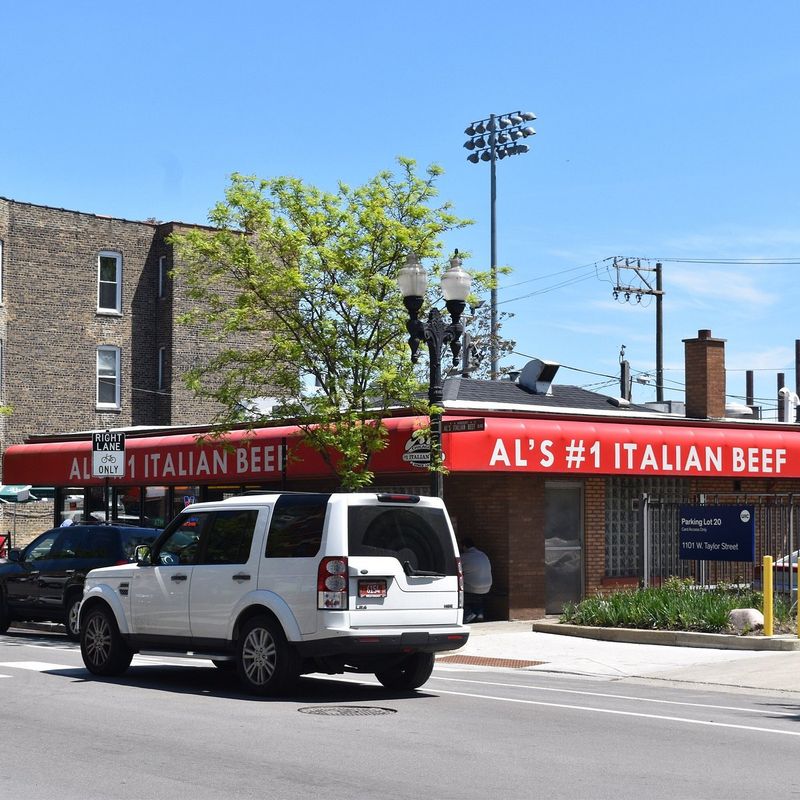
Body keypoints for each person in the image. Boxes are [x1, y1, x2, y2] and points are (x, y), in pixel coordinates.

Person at [460, 537, 492, 623]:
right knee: (478, 598)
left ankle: (468, 614)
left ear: (464, 547)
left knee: (458, 593)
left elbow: (456, 569)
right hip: (487, 587)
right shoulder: (483, 554)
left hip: (472, 588)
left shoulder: (464, 557)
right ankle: (480, 614)